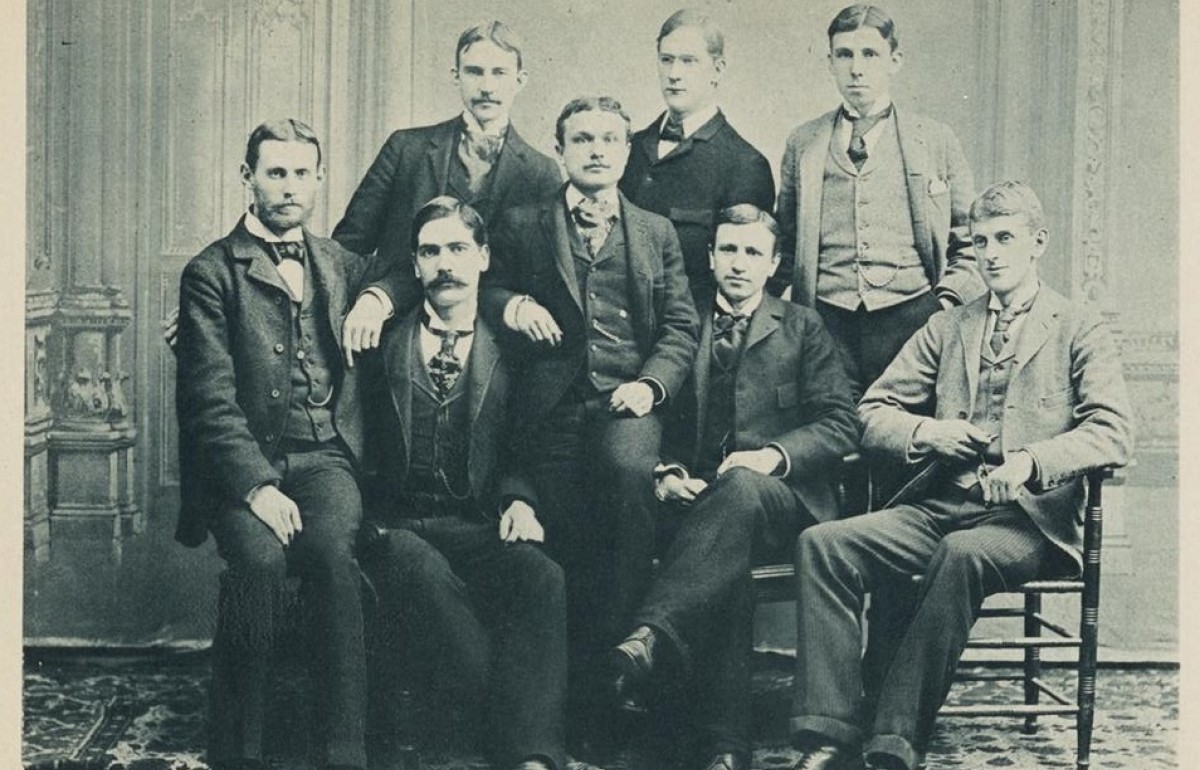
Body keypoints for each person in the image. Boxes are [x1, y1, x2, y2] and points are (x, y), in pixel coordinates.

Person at [786, 181, 1133, 770]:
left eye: (1005, 239)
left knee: (961, 554)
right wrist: (929, 434)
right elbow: (872, 411)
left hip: (1028, 524)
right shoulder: (949, 326)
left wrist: (1032, 461)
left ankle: (893, 740)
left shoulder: (1078, 326)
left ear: (1038, 243)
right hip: (943, 504)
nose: (991, 253)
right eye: (980, 242)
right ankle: (831, 730)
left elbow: (1114, 431)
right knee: (824, 545)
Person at [480, 95, 699, 755]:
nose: (598, 150)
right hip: (550, 407)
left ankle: (624, 675)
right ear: (561, 148)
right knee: (560, 542)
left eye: (610, 139)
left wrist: (649, 384)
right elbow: (482, 287)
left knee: (628, 479)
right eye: (583, 140)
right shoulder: (521, 223)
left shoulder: (655, 231)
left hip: (625, 403)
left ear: (627, 151)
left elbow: (682, 326)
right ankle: (572, 708)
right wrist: (511, 302)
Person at [609, 205, 857, 770]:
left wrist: (771, 456)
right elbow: (656, 424)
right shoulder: (680, 324)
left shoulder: (802, 326)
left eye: (752, 253)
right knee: (725, 568)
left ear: (773, 264)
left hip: (781, 500)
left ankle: (651, 630)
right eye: (728, 250)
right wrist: (664, 473)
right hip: (699, 501)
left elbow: (840, 422)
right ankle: (726, 748)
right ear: (710, 257)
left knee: (741, 491)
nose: (739, 264)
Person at [175, 119, 371, 770]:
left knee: (333, 556)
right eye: (275, 173)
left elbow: (400, 275)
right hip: (242, 464)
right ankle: (238, 753)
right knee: (258, 564)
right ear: (247, 178)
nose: (290, 187)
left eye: (301, 174)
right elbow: (209, 400)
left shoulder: (339, 262)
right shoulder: (210, 272)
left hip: (325, 456)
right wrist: (257, 486)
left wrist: (378, 296)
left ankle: (344, 751)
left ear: (319, 179)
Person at [356, 197, 566, 770]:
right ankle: (494, 722)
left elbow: (528, 445)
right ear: (415, 265)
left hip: (474, 520)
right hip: (397, 522)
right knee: (419, 569)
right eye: (430, 251)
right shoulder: (380, 343)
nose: (444, 264)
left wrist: (520, 499)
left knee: (540, 575)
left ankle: (533, 754)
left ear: (483, 258)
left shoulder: (515, 349)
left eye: (457, 249)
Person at [775, 3, 983, 395]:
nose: (857, 68)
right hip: (827, 321)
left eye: (870, 54)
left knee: (900, 439)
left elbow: (969, 241)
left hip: (912, 318)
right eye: (845, 55)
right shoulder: (804, 142)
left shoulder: (935, 140)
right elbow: (783, 246)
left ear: (894, 60)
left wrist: (944, 306)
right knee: (835, 436)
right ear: (830, 62)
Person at [332, 20, 562, 360]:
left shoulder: (542, 173)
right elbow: (347, 251)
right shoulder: (406, 149)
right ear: (456, 76)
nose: (486, 86)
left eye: (499, 73)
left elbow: (544, 277)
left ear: (520, 80)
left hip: (499, 348)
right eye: (474, 72)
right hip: (399, 335)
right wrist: (374, 299)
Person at [619, 8, 775, 302]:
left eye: (689, 61)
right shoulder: (629, 148)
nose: (674, 74)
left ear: (717, 70)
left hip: (692, 331)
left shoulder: (745, 164)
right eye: (666, 60)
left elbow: (743, 281)